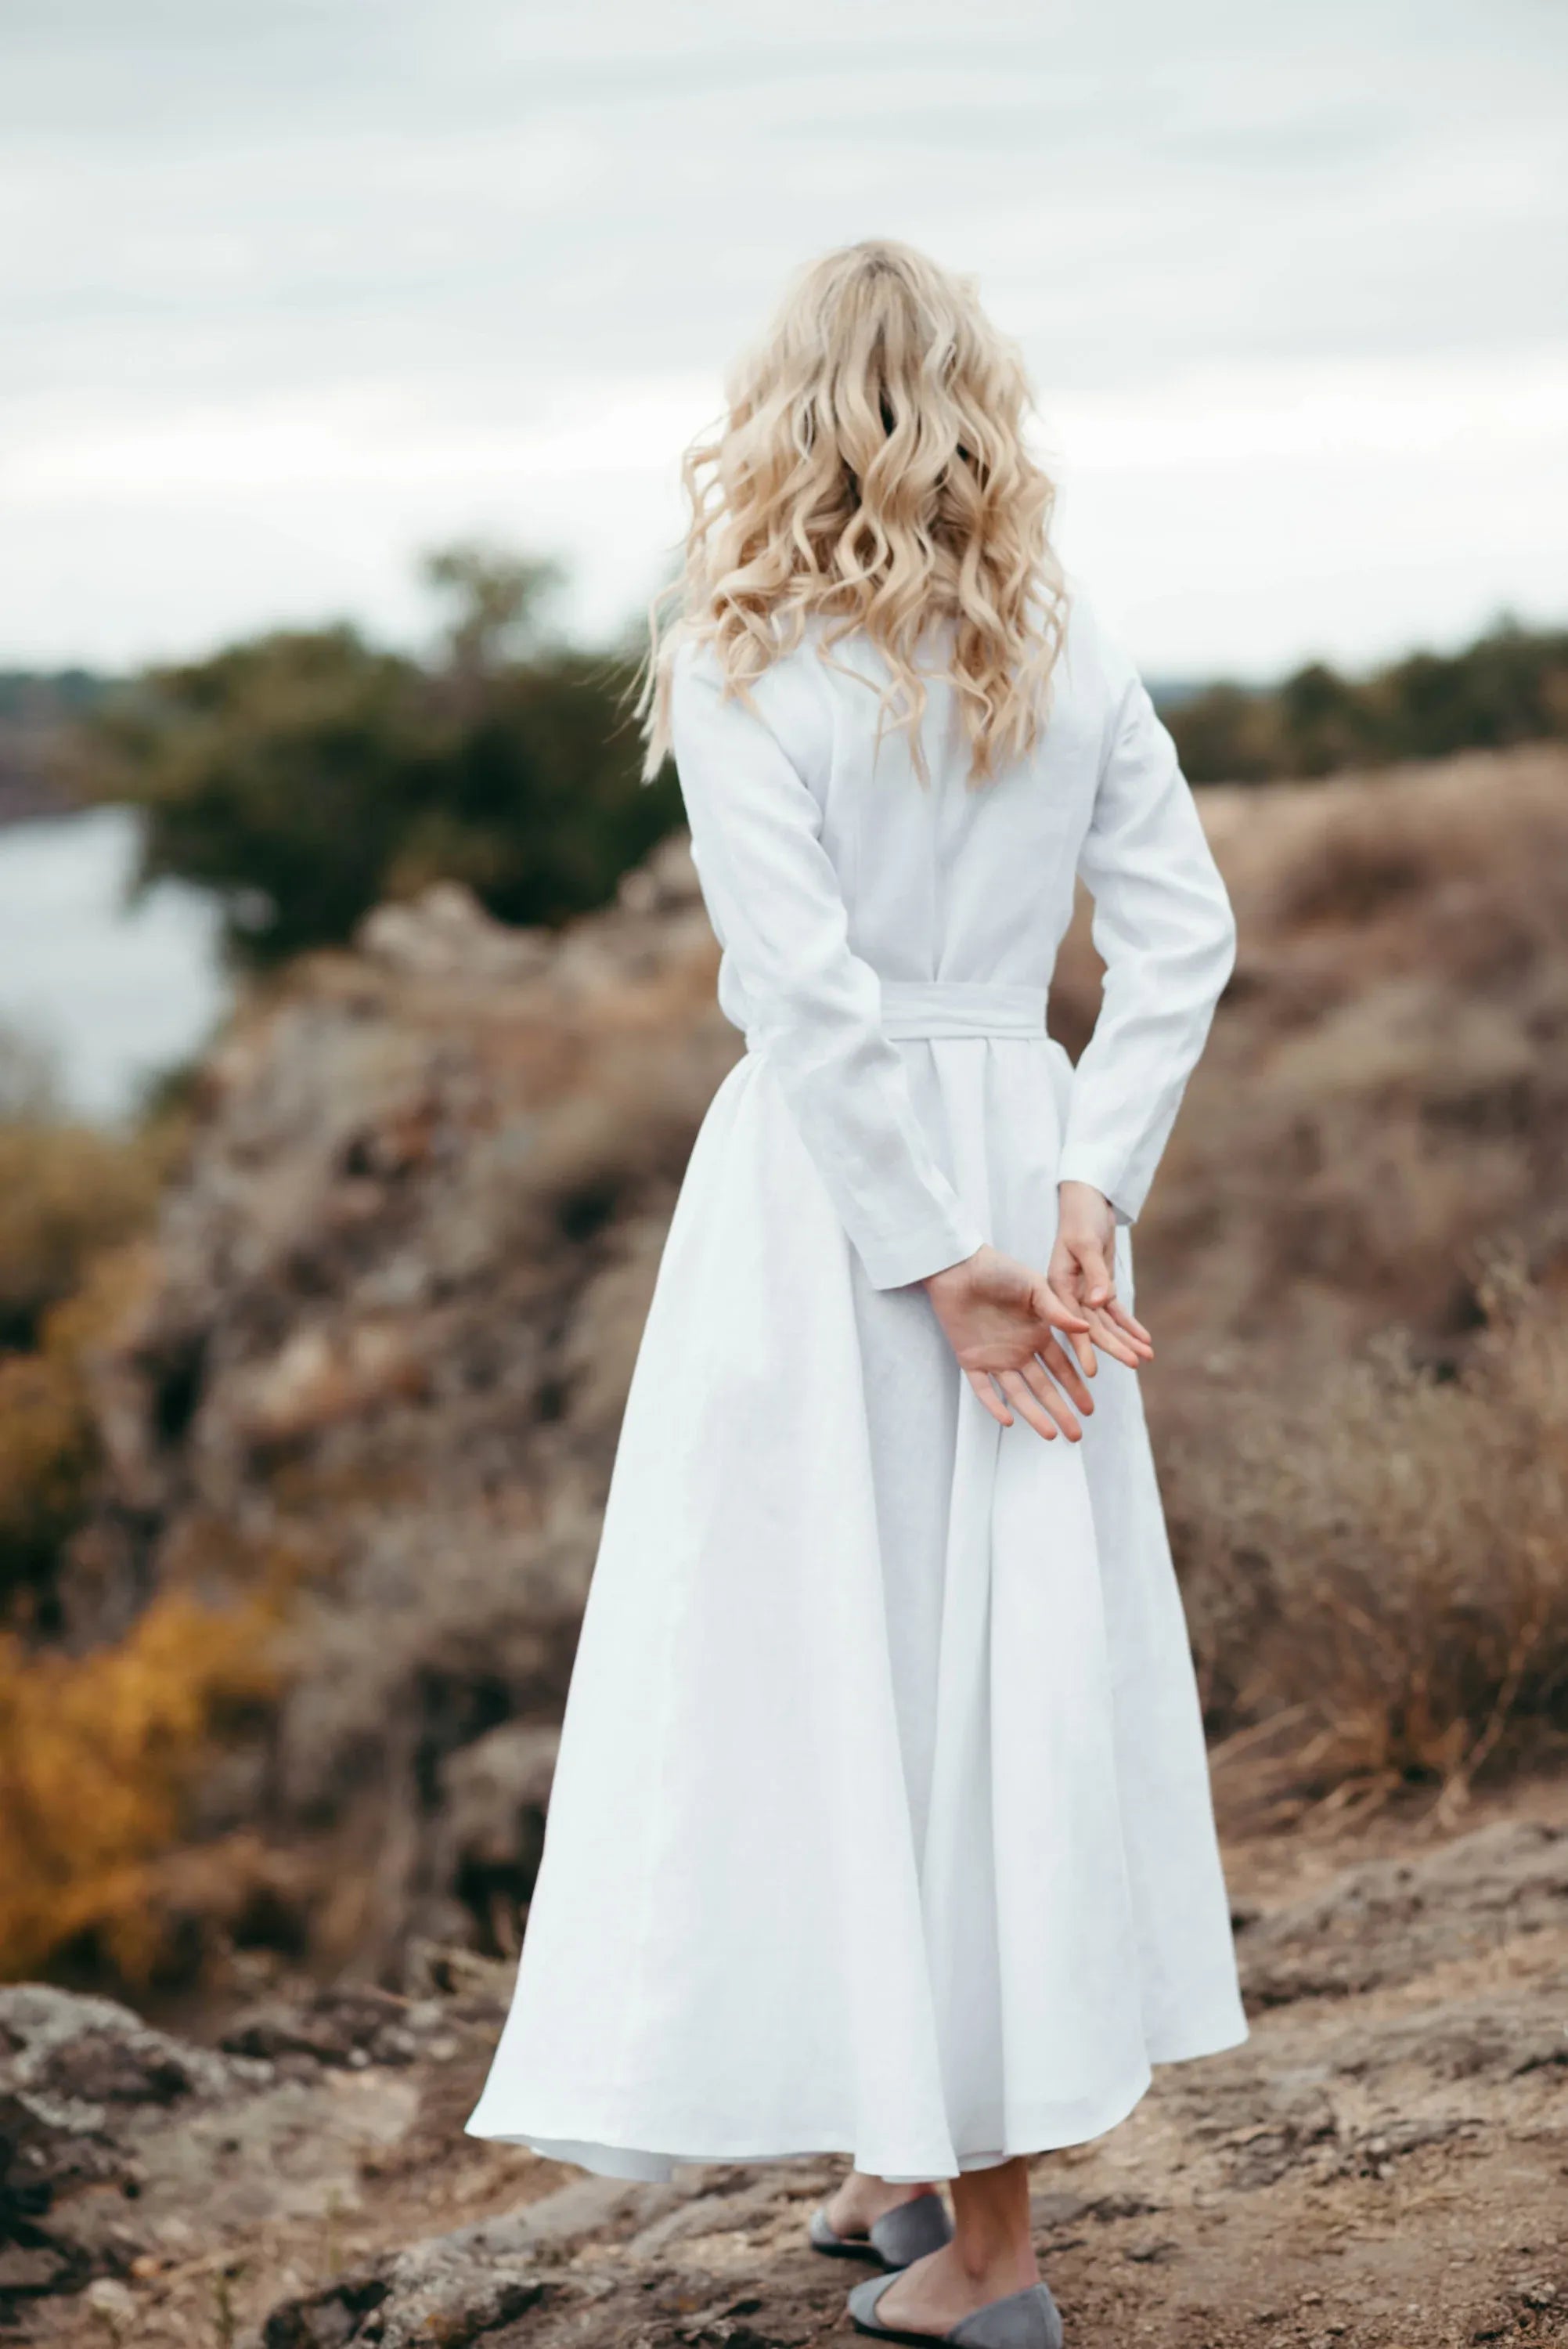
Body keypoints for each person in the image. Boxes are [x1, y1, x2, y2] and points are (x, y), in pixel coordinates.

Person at [467, 237, 1246, 2349]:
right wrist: (1082, 1188)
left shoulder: (737, 653)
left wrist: (935, 1258)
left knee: (865, 1652)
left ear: (778, 418)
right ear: (980, 405)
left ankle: (995, 2266)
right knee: (955, 1658)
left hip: (833, 1204)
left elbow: (795, 996)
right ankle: (906, 2156)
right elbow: (1183, 943)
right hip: (1004, 1145)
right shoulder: (1062, 645)